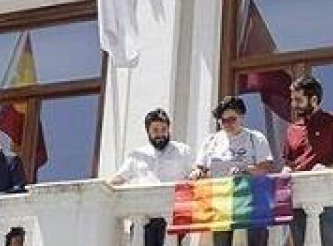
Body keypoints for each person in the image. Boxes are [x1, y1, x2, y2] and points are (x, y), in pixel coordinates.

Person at [190, 96, 274, 246]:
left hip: (252, 198)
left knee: (257, 241)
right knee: (221, 242)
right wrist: (197, 173)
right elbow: (199, 168)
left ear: (241, 117)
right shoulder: (210, 141)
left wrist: (245, 169)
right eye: (223, 121)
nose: (227, 124)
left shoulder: (256, 138)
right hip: (221, 200)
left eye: (232, 119)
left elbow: (266, 168)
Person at [283, 77, 333, 246]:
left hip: (329, 197)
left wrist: (328, 168)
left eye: (298, 100)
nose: (294, 104)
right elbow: (288, 161)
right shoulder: (292, 129)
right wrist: (285, 170)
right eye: (292, 100)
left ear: (314, 99)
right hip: (298, 201)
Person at [108, 109, 192, 246]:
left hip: (173, 217)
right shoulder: (137, 155)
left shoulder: (182, 151)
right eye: (155, 130)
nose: (160, 134)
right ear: (148, 131)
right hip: (144, 219)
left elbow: (193, 174)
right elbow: (120, 178)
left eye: (163, 129)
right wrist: (100, 188)